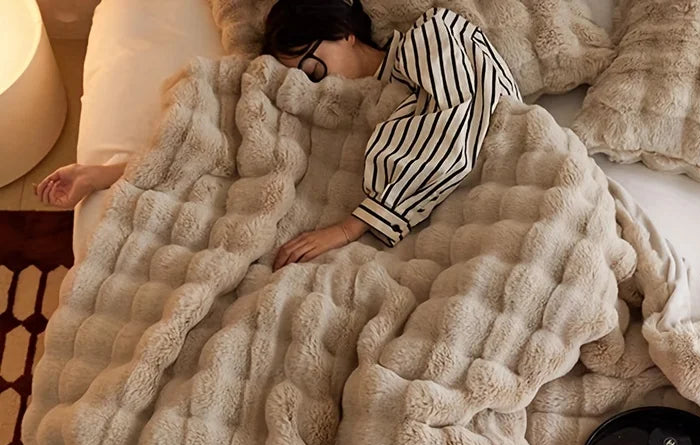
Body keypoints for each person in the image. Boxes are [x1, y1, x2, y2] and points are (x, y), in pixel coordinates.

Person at [37, 0, 521, 270]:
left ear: (344, 31)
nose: (310, 77)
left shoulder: (434, 36)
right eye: (299, 72)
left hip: (497, 192)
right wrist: (100, 174)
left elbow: (462, 121)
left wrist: (350, 226)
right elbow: (219, 144)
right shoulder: (314, 102)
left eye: (312, 61)